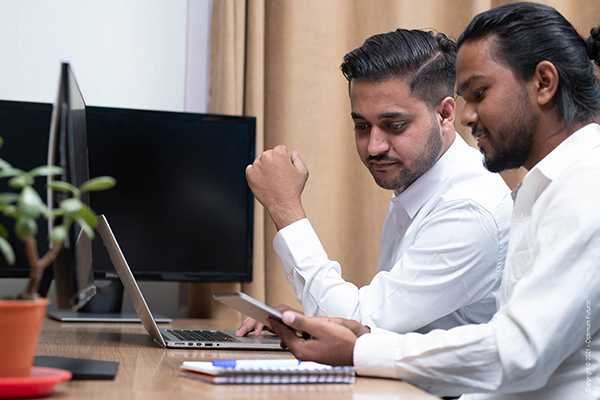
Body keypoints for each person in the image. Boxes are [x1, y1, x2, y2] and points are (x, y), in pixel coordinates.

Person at [269, 3, 600, 399]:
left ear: (544, 83)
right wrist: (353, 337)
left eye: (479, 94)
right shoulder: (545, 185)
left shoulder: (585, 186)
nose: (467, 116)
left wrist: (362, 348)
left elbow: (516, 353)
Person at [239, 29, 512, 338]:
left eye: (394, 126)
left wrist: (285, 207)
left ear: (445, 114)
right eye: (361, 125)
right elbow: (379, 325)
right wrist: (302, 322)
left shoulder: (469, 208)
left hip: (445, 389)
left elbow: (359, 321)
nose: (374, 147)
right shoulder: (420, 182)